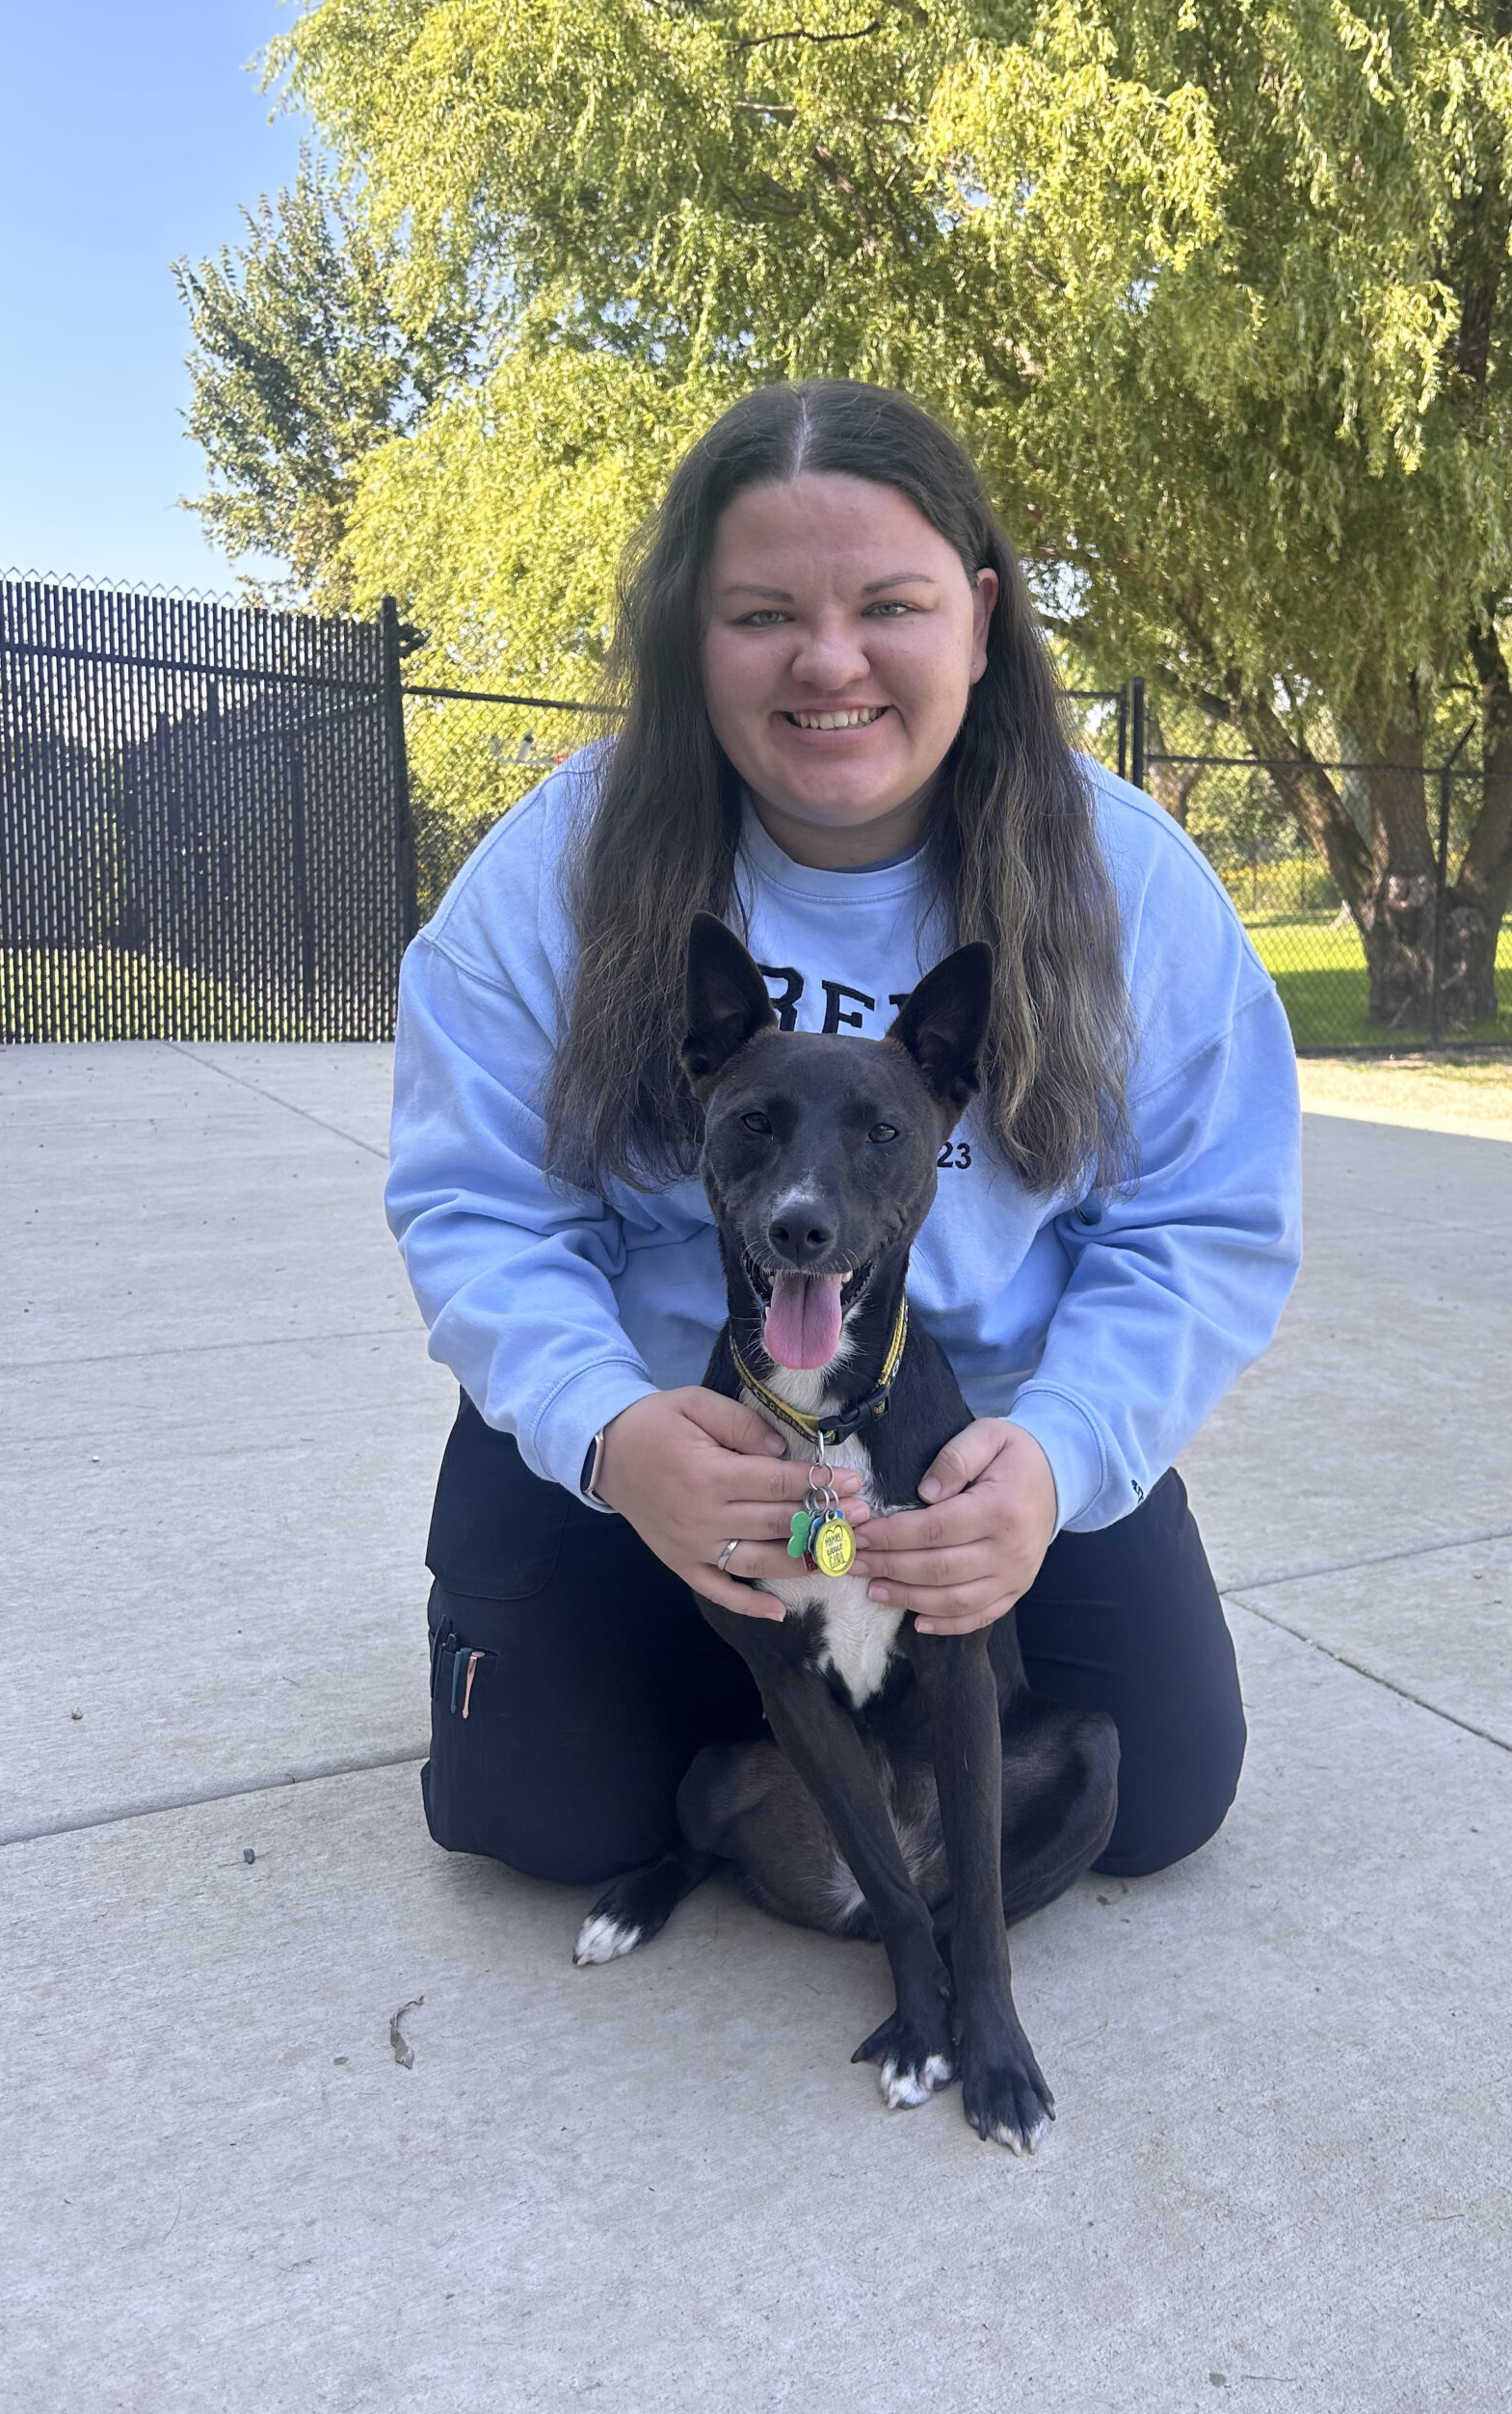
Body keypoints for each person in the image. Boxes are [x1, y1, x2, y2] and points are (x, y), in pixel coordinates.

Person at [386, 378, 1302, 1897]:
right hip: (670, 1438)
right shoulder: (558, 864)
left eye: (891, 603)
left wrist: (1060, 1461)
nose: (830, 662)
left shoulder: (1123, 881)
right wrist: (607, 1431)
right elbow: (479, 1205)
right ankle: (730, 1708)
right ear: (693, 631)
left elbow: (1201, 1225)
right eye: (761, 615)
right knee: (552, 1818)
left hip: (965, 1444)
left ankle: (828, 1701)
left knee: (1155, 1795)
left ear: (981, 618)